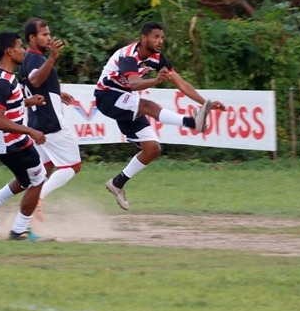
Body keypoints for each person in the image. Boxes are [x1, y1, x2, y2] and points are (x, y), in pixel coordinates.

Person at [94, 21, 225, 210]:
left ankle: (117, 183)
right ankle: (191, 122)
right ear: (143, 38)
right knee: (148, 105)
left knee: (153, 149)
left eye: (162, 37)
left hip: (126, 99)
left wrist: (206, 104)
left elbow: (181, 84)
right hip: (107, 96)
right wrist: (156, 80)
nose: (160, 40)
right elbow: (134, 84)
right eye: (156, 36)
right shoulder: (128, 56)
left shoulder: (157, 58)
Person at [0, 31, 47, 241]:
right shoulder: (3, 83)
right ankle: (19, 230)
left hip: (10, 143)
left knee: (26, 181)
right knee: (39, 179)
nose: (23, 50)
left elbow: (1, 105)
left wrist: (27, 102)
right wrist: (30, 131)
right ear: (9, 51)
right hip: (14, 143)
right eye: (20, 47)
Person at [18, 18, 82, 220]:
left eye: (49, 34)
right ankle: (39, 199)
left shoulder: (27, 59)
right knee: (73, 166)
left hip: (38, 123)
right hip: (51, 123)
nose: (49, 38)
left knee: (44, 169)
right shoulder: (37, 59)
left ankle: (16, 216)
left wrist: (57, 93)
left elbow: (33, 85)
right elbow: (36, 79)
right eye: (44, 35)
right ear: (32, 38)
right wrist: (53, 57)